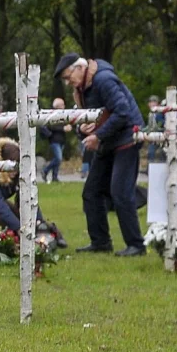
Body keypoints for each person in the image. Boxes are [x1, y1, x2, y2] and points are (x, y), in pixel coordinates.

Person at [55, 52, 147, 255]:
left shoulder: (104, 79)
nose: (68, 83)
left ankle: (136, 245)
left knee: (120, 193)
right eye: (65, 79)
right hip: (108, 142)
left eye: (69, 77)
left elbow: (122, 112)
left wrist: (98, 135)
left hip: (127, 138)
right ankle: (101, 243)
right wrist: (82, 129)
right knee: (92, 192)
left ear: (80, 68)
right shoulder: (82, 89)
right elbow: (86, 120)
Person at [0, 138, 67, 246]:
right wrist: (19, 229)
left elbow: (26, 197)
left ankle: (48, 232)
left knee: (24, 219)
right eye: (11, 168)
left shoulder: (16, 175)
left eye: (16, 167)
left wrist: (38, 222)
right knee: (7, 219)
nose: (14, 172)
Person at [40, 97, 69, 182]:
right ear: (58, 106)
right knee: (58, 158)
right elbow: (51, 126)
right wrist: (63, 128)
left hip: (61, 139)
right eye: (62, 105)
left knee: (58, 160)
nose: (64, 106)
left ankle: (54, 177)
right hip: (54, 140)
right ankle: (45, 170)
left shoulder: (63, 115)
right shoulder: (52, 115)